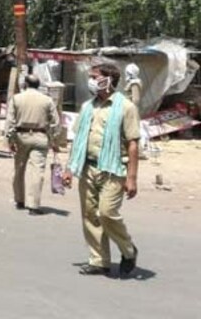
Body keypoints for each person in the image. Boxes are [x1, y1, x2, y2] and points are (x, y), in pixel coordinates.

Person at [62, 63, 141, 277]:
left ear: (108, 80)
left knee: (107, 213)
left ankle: (128, 250)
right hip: (88, 166)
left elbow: (133, 143)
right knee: (90, 215)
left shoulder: (126, 107)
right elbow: (78, 139)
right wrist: (69, 169)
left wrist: (132, 178)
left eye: (95, 77)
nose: (91, 81)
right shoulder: (88, 106)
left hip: (113, 169)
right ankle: (99, 261)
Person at [6, 75, 59, 215]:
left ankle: (19, 200)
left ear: (25, 84)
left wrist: (10, 140)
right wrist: (53, 140)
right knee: (37, 171)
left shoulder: (16, 98)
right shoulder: (47, 100)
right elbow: (55, 122)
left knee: (19, 168)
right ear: (38, 84)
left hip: (21, 136)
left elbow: (10, 121)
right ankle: (33, 205)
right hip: (40, 137)